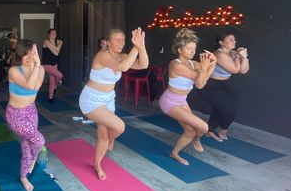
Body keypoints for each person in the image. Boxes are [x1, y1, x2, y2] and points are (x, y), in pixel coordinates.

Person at [79, 28, 148, 180]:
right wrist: (135, 47)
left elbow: (143, 64)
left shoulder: (122, 56)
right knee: (119, 127)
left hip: (109, 99)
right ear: (108, 42)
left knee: (103, 135)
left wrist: (141, 46)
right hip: (91, 100)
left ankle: (97, 164)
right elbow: (122, 68)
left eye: (123, 40)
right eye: (117, 40)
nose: (121, 43)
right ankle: (110, 140)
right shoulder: (102, 56)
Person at [159, 28, 217, 165]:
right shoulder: (175, 65)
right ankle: (197, 138)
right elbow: (200, 84)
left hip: (181, 100)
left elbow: (205, 78)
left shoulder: (194, 64)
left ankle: (175, 153)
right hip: (169, 102)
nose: (193, 51)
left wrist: (213, 63)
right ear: (179, 50)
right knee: (203, 127)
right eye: (189, 48)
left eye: (194, 49)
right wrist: (204, 68)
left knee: (190, 131)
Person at [6, 40, 46, 191]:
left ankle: (23, 176)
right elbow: (30, 86)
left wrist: (37, 66)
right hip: (15, 115)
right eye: (25, 54)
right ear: (20, 56)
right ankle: (34, 157)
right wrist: (35, 65)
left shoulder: (41, 70)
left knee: (27, 144)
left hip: (31, 111)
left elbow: (35, 87)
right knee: (39, 141)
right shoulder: (14, 71)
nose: (29, 57)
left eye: (32, 53)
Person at [198, 33, 249, 141]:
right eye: (230, 39)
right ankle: (223, 131)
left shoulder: (233, 52)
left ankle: (209, 130)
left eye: (234, 39)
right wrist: (240, 57)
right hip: (209, 85)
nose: (234, 41)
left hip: (224, 84)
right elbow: (235, 70)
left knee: (220, 108)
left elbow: (244, 70)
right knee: (229, 110)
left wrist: (244, 57)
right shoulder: (219, 54)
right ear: (221, 42)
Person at [42, 28, 63, 103]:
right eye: (52, 33)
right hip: (47, 65)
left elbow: (56, 51)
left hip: (55, 64)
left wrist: (58, 46)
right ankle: (55, 87)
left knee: (52, 81)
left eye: (55, 33)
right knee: (60, 75)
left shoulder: (57, 42)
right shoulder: (46, 42)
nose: (54, 35)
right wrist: (61, 44)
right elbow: (56, 53)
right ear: (49, 34)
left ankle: (50, 97)